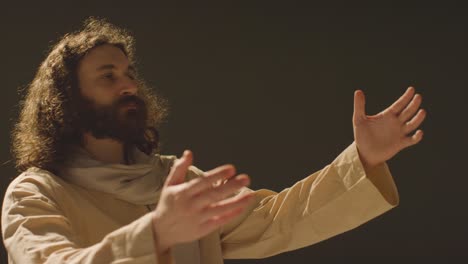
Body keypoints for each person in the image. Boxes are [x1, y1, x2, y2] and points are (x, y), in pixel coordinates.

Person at [1, 17, 426, 264]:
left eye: (129, 73)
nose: (129, 85)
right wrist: (155, 233)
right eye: (108, 76)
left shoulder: (175, 181)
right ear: (67, 100)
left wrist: (362, 159)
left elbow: (277, 221)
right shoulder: (36, 192)